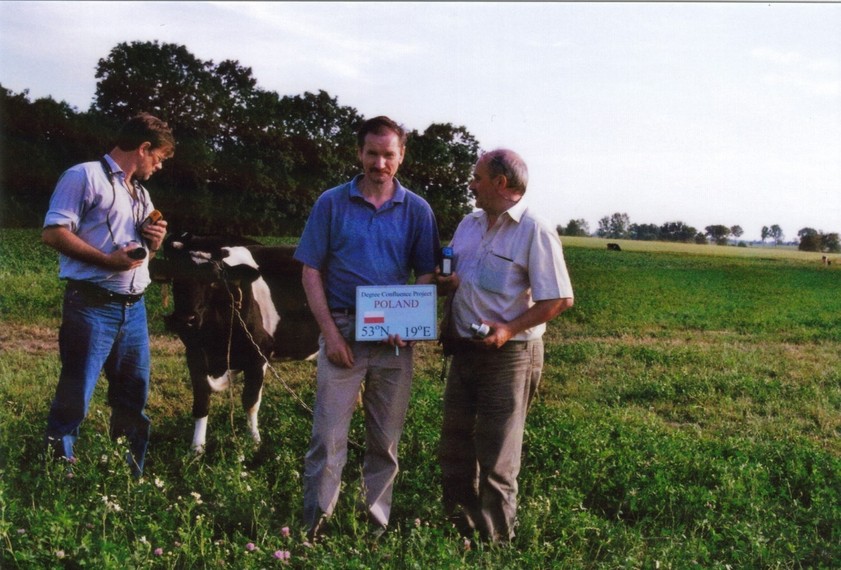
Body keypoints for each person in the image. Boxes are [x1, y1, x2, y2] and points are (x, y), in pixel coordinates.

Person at [294, 116, 441, 539]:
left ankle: (375, 527)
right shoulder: (332, 203)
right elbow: (310, 272)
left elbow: (427, 273)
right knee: (327, 438)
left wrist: (408, 322)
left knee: (385, 441)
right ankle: (316, 526)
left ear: (401, 156)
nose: (380, 163)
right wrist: (333, 336)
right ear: (359, 153)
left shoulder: (417, 209)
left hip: (394, 343)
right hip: (343, 331)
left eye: (388, 155)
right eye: (372, 154)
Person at [436, 149, 574, 542]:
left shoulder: (535, 230)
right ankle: (459, 531)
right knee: (455, 447)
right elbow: (461, 276)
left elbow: (560, 299)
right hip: (463, 350)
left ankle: (495, 543)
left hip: (509, 357)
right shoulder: (468, 223)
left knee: (497, 456)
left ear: (500, 183)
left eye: (477, 177)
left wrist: (509, 329)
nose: (471, 183)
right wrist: (450, 284)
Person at [42, 113, 174, 477]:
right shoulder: (83, 176)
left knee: (134, 397)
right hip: (91, 305)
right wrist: (106, 261)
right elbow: (53, 233)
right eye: (158, 157)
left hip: (134, 309)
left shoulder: (141, 193)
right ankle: (59, 475)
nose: (159, 165)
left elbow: (143, 254)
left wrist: (154, 242)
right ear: (143, 148)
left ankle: (128, 473)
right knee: (75, 397)